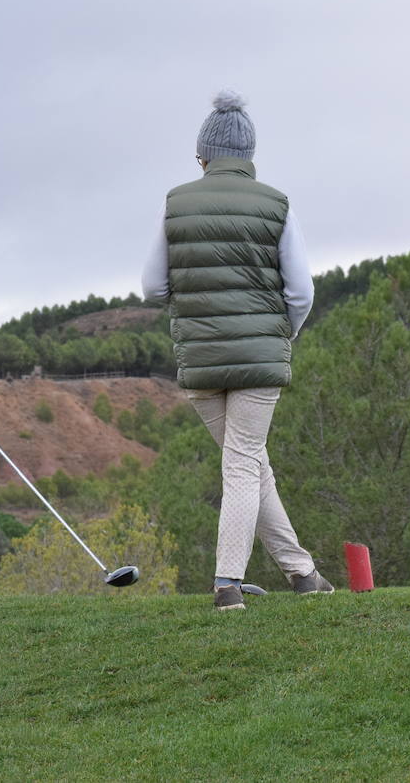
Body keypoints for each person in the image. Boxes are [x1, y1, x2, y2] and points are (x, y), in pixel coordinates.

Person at [142, 91, 334, 611]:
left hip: (201, 361)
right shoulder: (277, 204)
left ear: (203, 154)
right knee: (246, 463)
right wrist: (279, 337)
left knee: (248, 463)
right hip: (260, 359)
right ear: (249, 156)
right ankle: (228, 584)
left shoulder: (175, 203)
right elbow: (301, 292)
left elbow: (152, 289)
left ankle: (303, 573)